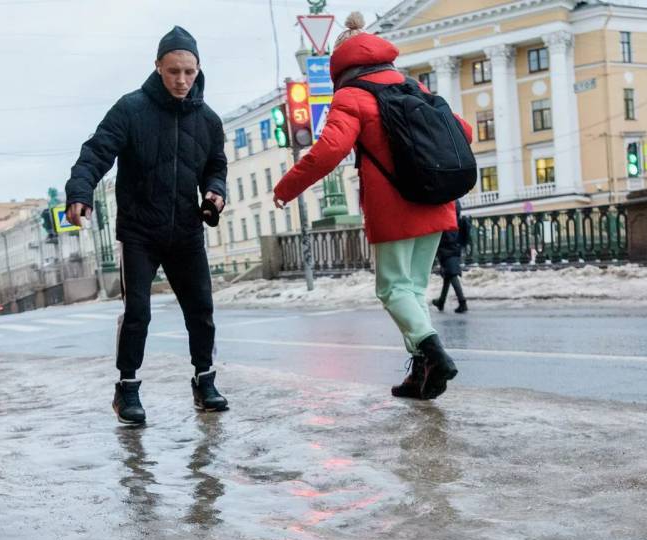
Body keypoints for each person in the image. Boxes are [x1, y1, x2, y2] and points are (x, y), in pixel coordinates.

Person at [272, 12, 473, 401]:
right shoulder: (413, 85)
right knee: (412, 289)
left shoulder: (352, 96)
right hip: (435, 200)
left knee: (392, 289)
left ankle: (433, 352)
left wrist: (287, 187)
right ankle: (423, 373)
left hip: (395, 208)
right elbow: (462, 130)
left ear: (340, 62)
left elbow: (328, 151)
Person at [65, 25, 229, 426]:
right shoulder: (131, 109)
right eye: (173, 71)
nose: (181, 80)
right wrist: (79, 192)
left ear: (198, 68)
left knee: (201, 309)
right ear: (158, 67)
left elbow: (216, 166)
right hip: (140, 231)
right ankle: (127, 389)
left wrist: (214, 191)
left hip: (186, 231)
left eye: (189, 72)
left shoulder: (207, 120)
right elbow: (95, 152)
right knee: (137, 311)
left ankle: (204, 381)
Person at [432, 202, 470, 314]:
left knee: (452, 274)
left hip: (447, 245)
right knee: (448, 274)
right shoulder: (455, 205)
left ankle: (462, 302)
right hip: (455, 245)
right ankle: (441, 301)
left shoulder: (446, 206)